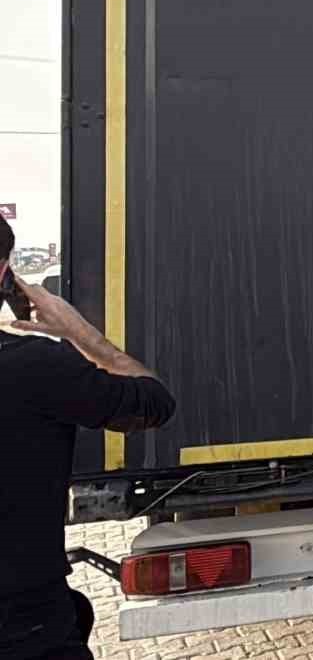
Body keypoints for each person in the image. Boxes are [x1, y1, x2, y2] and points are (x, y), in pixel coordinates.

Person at [0, 215, 177, 659]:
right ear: (6, 275)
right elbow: (154, 402)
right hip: (25, 624)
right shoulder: (33, 368)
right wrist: (80, 333)